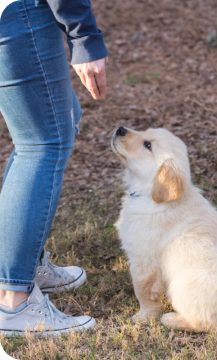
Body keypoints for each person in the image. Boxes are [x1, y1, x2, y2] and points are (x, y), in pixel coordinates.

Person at [0, 0, 108, 336]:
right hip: (20, 14)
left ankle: (21, 267)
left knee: (43, 134)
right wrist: (84, 36)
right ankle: (13, 302)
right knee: (41, 145)